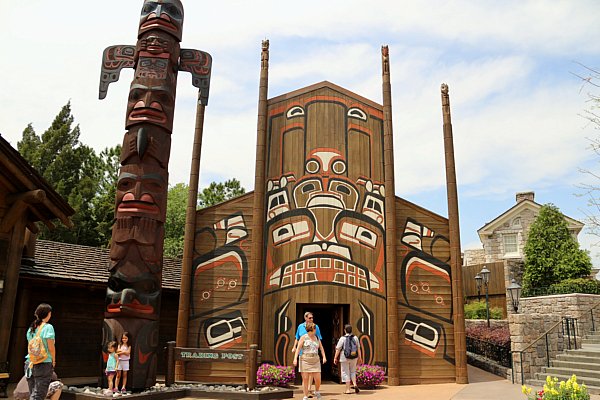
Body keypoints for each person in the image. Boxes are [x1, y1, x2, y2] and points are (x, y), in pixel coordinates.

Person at [26, 303, 56, 400]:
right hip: (43, 363)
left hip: (29, 362)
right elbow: (51, 347)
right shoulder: (48, 327)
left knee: (33, 393)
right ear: (48, 314)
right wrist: (53, 360)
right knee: (39, 395)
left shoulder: (31, 327)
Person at [293, 322, 327, 400]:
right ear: (310, 330)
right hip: (305, 359)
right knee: (305, 379)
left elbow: (321, 348)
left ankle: (317, 391)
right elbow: (298, 348)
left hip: (315, 359)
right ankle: (305, 395)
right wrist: (295, 359)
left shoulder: (317, 337)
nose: (315, 330)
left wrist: (324, 357)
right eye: (314, 329)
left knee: (318, 378)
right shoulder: (303, 337)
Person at [334, 324, 362, 394]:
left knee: (345, 372)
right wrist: (360, 357)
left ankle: (348, 389)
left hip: (344, 357)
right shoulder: (355, 338)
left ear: (345, 330)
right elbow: (358, 348)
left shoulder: (342, 338)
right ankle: (355, 384)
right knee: (353, 371)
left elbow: (338, 349)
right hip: (354, 356)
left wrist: (335, 357)